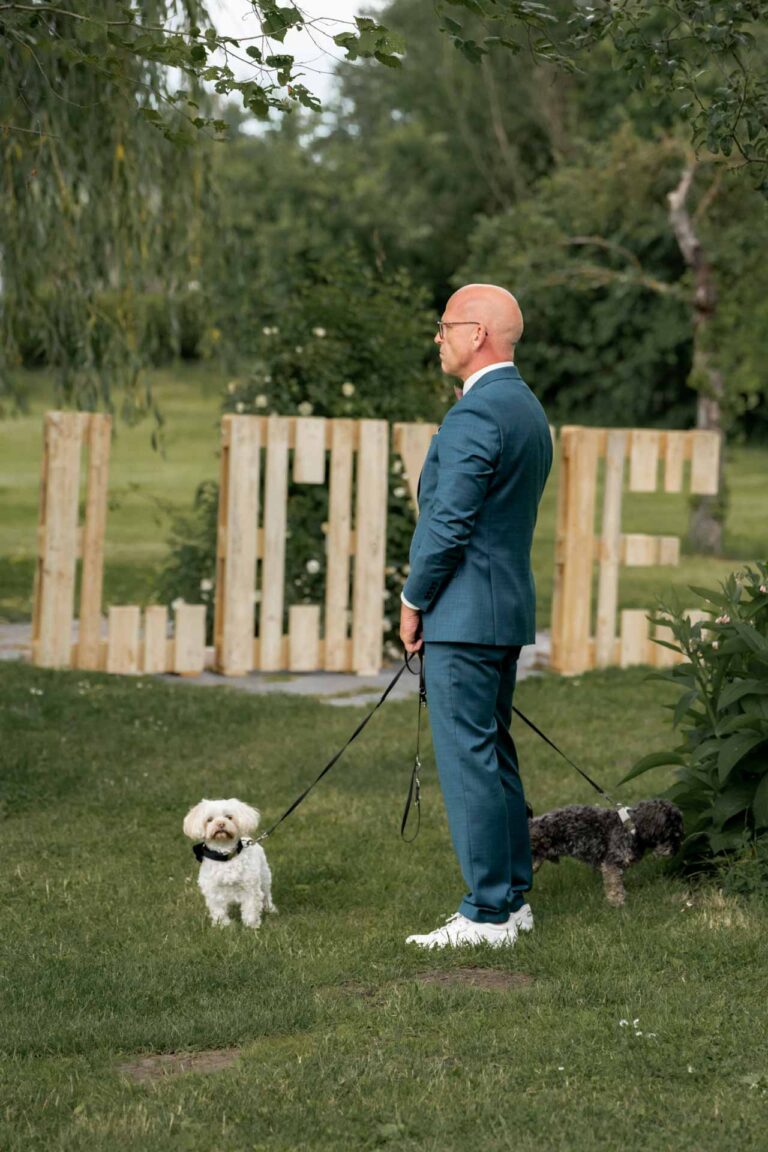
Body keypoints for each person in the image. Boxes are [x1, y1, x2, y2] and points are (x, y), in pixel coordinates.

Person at [399, 283, 552, 949]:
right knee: (495, 753)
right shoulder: (524, 407)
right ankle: (513, 900)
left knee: (469, 760)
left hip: (463, 613)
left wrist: (413, 599)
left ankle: (487, 913)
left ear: (479, 334)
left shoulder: (475, 415)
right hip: (505, 608)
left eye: (446, 326)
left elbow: (449, 524)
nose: (438, 337)